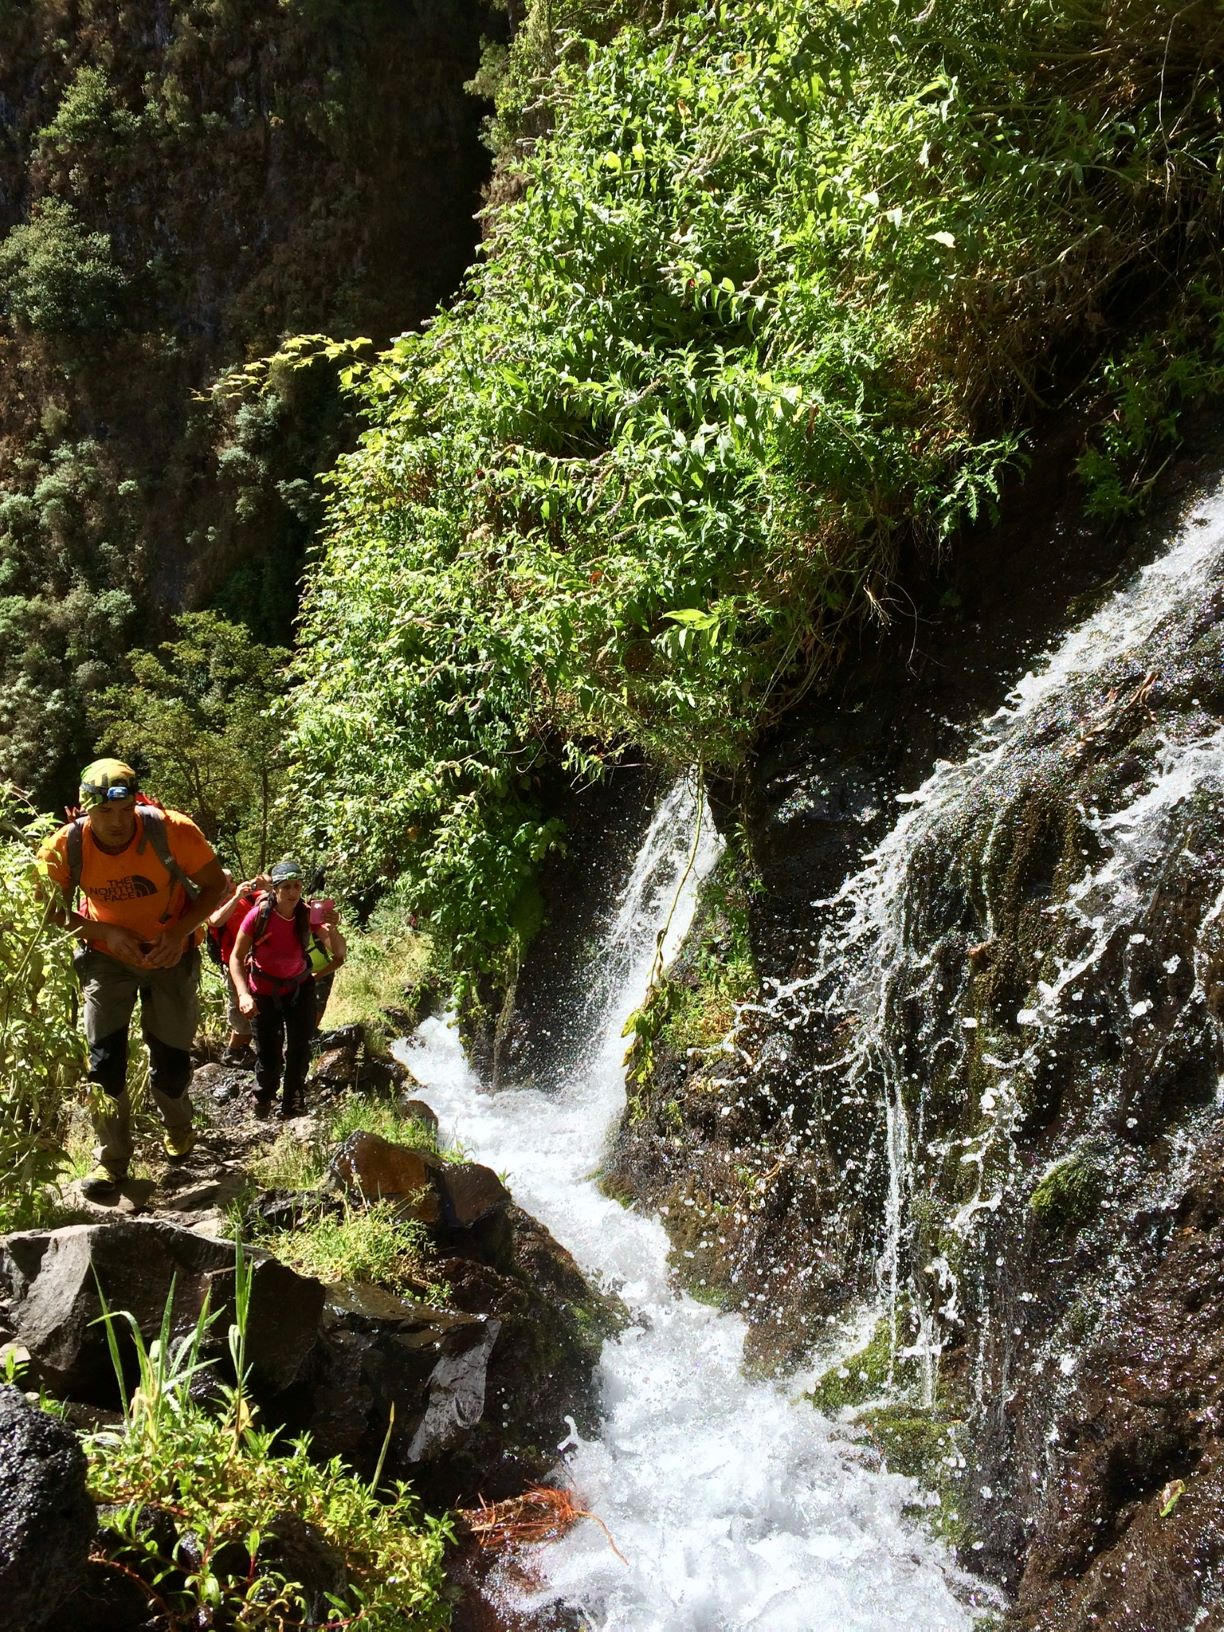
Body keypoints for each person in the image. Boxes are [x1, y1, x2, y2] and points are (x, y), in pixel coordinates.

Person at [38, 758, 227, 1200]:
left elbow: (215, 885)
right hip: (107, 958)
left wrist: (178, 933)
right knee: (104, 1063)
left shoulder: (171, 830)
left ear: (136, 803)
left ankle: (179, 1125)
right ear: (85, 811)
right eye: (104, 813)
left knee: (172, 1057)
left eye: (124, 811)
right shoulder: (64, 847)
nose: (117, 823)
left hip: (171, 954)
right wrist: (102, 931)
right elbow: (50, 909)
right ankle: (112, 1161)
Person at [229, 857, 316, 1119]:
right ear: (275, 889)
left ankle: (293, 1101)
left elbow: (336, 948)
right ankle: (264, 1099)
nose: (292, 892)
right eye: (286, 886)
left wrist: (332, 927)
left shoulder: (306, 913)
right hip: (264, 992)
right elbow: (236, 957)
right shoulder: (258, 916)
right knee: (269, 1055)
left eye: (297, 886)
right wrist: (243, 994)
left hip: (300, 988)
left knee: (300, 1048)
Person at [206, 868, 270, 1066]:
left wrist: (265, 883)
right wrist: (235, 897)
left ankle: (244, 1050)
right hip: (234, 966)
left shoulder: (247, 897)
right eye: (225, 883)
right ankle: (233, 1051)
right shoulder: (210, 905)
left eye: (232, 881)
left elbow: (271, 894)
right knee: (241, 1012)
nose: (231, 886)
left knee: (259, 1008)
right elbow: (215, 921)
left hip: (257, 962)